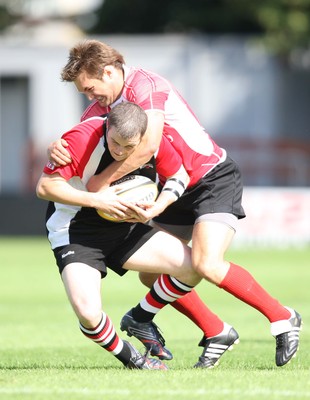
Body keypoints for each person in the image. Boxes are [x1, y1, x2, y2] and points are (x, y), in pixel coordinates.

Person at [48, 39, 302, 368]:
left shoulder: (146, 86)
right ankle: (216, 330)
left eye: (90, 87)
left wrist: (100, 185)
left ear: (108, 71)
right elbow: (78, 135)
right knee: (153, 274)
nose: (89, 96)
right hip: (169, 188)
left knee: (206, 263)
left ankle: (282, 318)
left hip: (209, 180)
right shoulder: (106, 103)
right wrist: (58, 145)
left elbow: (148, 146)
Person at [36, 101, 208, 370]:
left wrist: (158, 206)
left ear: (141, 137)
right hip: (77, 232)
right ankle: (131, 358)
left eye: (129, 147)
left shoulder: (151, 140)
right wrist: (96, 200)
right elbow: (45, 187)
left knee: (195, 266)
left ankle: (140, 316)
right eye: (115, 142)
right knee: (88, 314)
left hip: (126, 228)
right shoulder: (82, 137)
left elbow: (178, 174)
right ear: (107, 127)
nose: (120, 151)